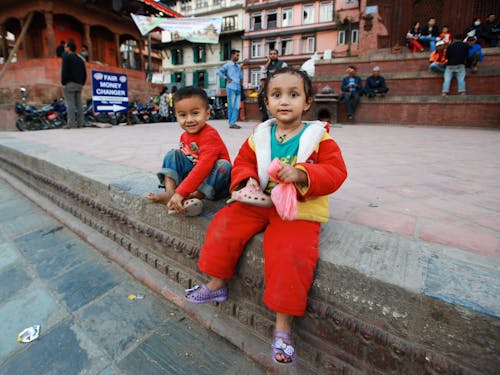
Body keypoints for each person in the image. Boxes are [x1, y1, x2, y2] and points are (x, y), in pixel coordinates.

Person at [184, 67, 347, 365]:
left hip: (298, 206)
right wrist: (246, 180)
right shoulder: (260, 135)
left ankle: (283, 327)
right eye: (276, 95)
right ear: (267, 103)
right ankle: (217, 284)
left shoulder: (318, 138)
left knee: (290, 253)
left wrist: (301, 173)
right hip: (259, 200)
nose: (285, 101)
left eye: (293, 94)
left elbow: (337, 172)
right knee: (224, 223)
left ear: (307, 102)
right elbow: (243, 162)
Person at [146, 86, 232, 216]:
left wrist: (182, 192)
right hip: (194, 179)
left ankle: (194, 196)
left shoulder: (209, 135)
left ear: (207, 114)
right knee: (173, 154)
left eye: (195, 113)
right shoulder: (184, 136)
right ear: (176, 116)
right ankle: (170, 192)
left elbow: (204, 166)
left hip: (213, 183)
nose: (189, 120)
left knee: (224, 166)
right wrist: (180, 189)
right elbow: (188, 161)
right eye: (183, 115)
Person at [61, 40, 87, 129]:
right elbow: (84, 73)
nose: (64, 48)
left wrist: (63, 82)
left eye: (65, 47)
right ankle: (81, 123)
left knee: (70, 104)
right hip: (79, 84)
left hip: (70, 83)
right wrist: (82, 82)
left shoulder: (67, 58)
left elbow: (65, 71)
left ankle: (71, 123)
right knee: (79, 104)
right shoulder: (80, 59)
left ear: (68, 48)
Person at [216, 49, 243, 129]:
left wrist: (241, 70)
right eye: (237, 55)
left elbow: (241, 76)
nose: (238, 57)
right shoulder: (228, 65)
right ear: (232, 55)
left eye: (238, 55)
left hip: (238, 88)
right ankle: (231, 123)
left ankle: (233, 122)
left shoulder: (238, 66)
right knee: (231, 106)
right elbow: (218, 71)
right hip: (231, 87)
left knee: (237, 106)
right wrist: (226, 78)